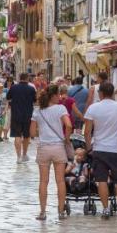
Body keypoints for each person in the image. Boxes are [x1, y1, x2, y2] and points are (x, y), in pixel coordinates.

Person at [83, 81, 117, 220]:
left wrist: (89, 148)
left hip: (99, 148)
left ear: (101, 93)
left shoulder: (93, 108)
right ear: (112, 93)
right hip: (115, 149)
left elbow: (87, 132)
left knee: (102, 180)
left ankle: (105, 209)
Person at [31, 85, 73, 221]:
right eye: (58, 95)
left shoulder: (38, 111)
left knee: (43, 181)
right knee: (60, 181)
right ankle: (60, 212)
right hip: (58, 147)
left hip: (44, 148)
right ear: (54, 96)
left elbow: (32, 132)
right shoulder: (61, 109)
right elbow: (69, 125)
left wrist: (41, 134)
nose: (60, 97)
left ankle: (42, 212)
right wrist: (66, 138)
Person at [7, 73, 37, 163]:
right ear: (27, 78)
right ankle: (24, 154)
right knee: (26, 135)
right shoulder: (31, 89)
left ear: (20, 78)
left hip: (16, 114)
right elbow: (35, 101)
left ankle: (18, 157)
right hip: (28, 115)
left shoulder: (14, 87)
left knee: (17, 135)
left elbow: (8, 97)